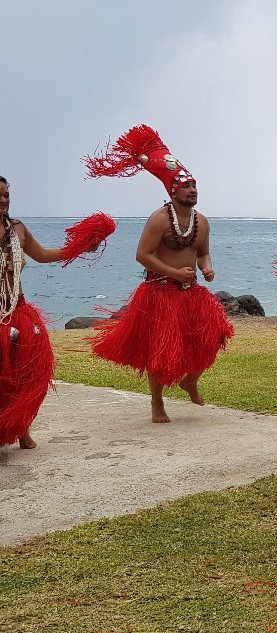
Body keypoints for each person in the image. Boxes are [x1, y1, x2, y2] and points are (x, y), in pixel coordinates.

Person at [84, 124, 233, 424]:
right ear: (173, 190)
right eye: (187, 186)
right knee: (160, 349)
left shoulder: (202, 221)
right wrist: (174, 273)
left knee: (216, 335)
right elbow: (142, 256)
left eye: (195, 187)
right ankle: (157, 402)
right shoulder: (158, 219)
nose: (193, 191)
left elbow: (202, 250)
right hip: (159, 292)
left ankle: (190, 380)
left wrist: (207, 267)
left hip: (191, 292)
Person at [0, 176, 115, 449]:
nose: (4, 201)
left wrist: (80, 248)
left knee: (25, 371)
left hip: (17, 310)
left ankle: (20, 427)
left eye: (7, 195)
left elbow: (43, 255)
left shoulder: (17, 229)